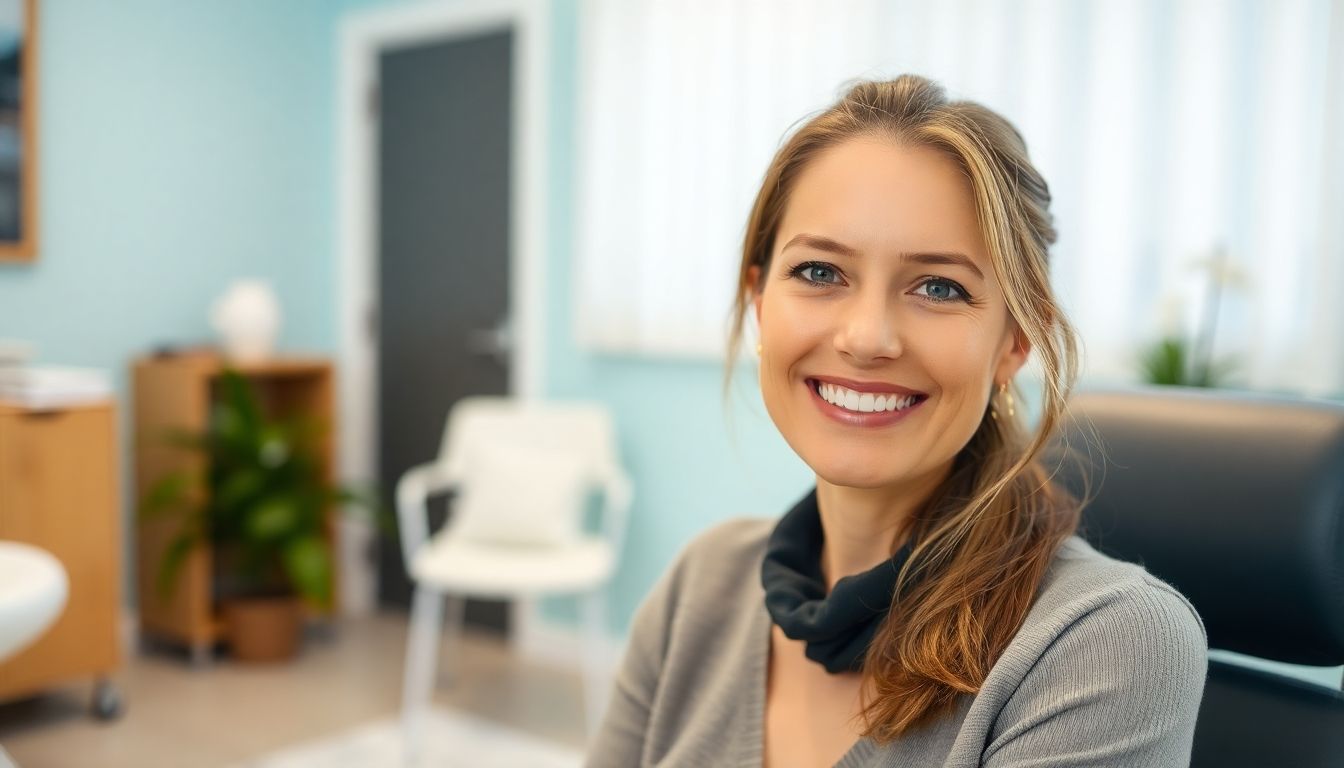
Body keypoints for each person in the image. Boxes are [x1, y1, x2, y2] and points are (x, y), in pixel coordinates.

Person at [586, 75, 1207, 768]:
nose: (867, 338)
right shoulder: (702, 585)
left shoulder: (1106, 644)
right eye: (820, 272)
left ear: (1015, 340)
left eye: (939, 287)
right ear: (760, 304)